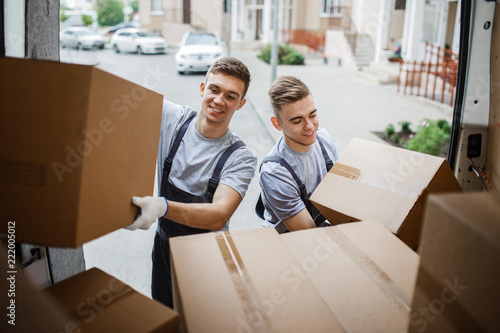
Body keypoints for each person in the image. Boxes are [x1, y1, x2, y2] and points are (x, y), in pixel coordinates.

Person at [126, 57, 257, 308]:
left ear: (240, 104)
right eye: (214, 89)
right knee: (164, 313)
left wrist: (163, 207)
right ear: (202, 89)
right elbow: (120, 99)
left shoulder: (241, 157)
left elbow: (219, 214)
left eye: (231, 96)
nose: (219, 100)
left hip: (206, 257)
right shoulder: (174, 120)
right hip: (164, 249)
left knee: (199, 321)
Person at [256, 76, 339, 233]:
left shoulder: (324, 139)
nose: (309, 126)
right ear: (277, 123)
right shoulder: (274, 172)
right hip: (291, 239)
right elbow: (307, 233)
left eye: (312, 115)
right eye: (297, 121)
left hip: (320, 228)